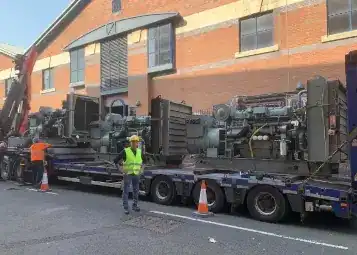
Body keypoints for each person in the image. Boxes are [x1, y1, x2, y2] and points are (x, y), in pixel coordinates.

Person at [113, 135, 145, 215]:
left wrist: (142, 169)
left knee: (136, 190)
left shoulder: (139, 152)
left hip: (136, 174)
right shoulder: (125, 151)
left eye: (136, 142)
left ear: (138, 143)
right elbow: (115, 160)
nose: (134, 143)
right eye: (133, 142)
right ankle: (126, 208)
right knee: (126, 191)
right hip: (128, 174)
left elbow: (145, 161)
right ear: (130, 143)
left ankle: (135, 205)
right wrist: (120, 170)